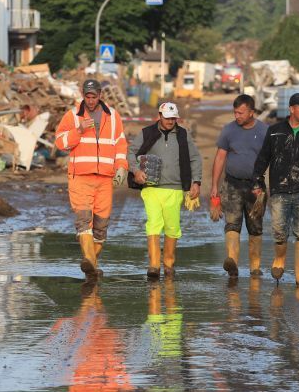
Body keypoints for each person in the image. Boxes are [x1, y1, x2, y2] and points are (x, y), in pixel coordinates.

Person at [251, 92, 299, 286]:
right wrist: (257, 181)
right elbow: (263, 158)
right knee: (279, 230)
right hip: (279, 190)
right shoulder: (275, 131)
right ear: (292, 109)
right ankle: (279, 259)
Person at [55, 79, 129, 279]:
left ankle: (92, 265)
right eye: (87, 96)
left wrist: (121, 166)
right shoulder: (72, 116)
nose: (90, 100)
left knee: (101, 227)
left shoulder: (113, 116)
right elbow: (60, 142)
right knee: (83, 220)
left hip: (105, 178)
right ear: (83, 95)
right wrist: (78, 130)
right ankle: (89, 260)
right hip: (80, 176)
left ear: (100, 95)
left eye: (93, 96)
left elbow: (120, 144)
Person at [128, 102, 202, 279]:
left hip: (175, 189)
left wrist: (196, 182)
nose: (170, 121)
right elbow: (131, 153)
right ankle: (154, 266)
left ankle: (169, 264)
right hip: (151, 188)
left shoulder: (183, 134)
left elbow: (195, 158)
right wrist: (136, 171)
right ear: (159, 116)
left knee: (172, 226)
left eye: (173, 118)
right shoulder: (147, 133)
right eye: (167, 118)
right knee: (153, 223)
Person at [210, 94, 269, 277]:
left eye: (241, 113)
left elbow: (273, 159)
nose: (237, 116)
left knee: (255, 227)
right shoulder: (228, 130)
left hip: (256, 187)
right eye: (235, 112)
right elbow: (220, 158)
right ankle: (232, 264)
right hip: (232, 185)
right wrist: (214, 186)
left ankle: (255, 268)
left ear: (252, 112)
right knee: (232, 224)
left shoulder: (265, 131)